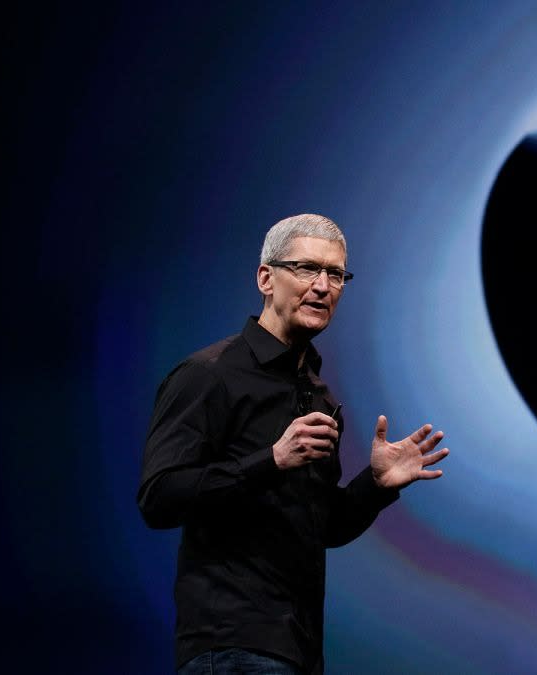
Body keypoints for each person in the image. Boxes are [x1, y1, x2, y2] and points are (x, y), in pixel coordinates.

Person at [137, 214, 450, 674]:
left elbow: (321, 528)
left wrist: (377, 485)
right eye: (306, 269)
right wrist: (270, 460)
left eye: (336, 274)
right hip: (230, 643)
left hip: (299, 651)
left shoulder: (318, 395)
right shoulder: (208, 375)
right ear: (266, 278)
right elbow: (158, 498)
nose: (323, 286)